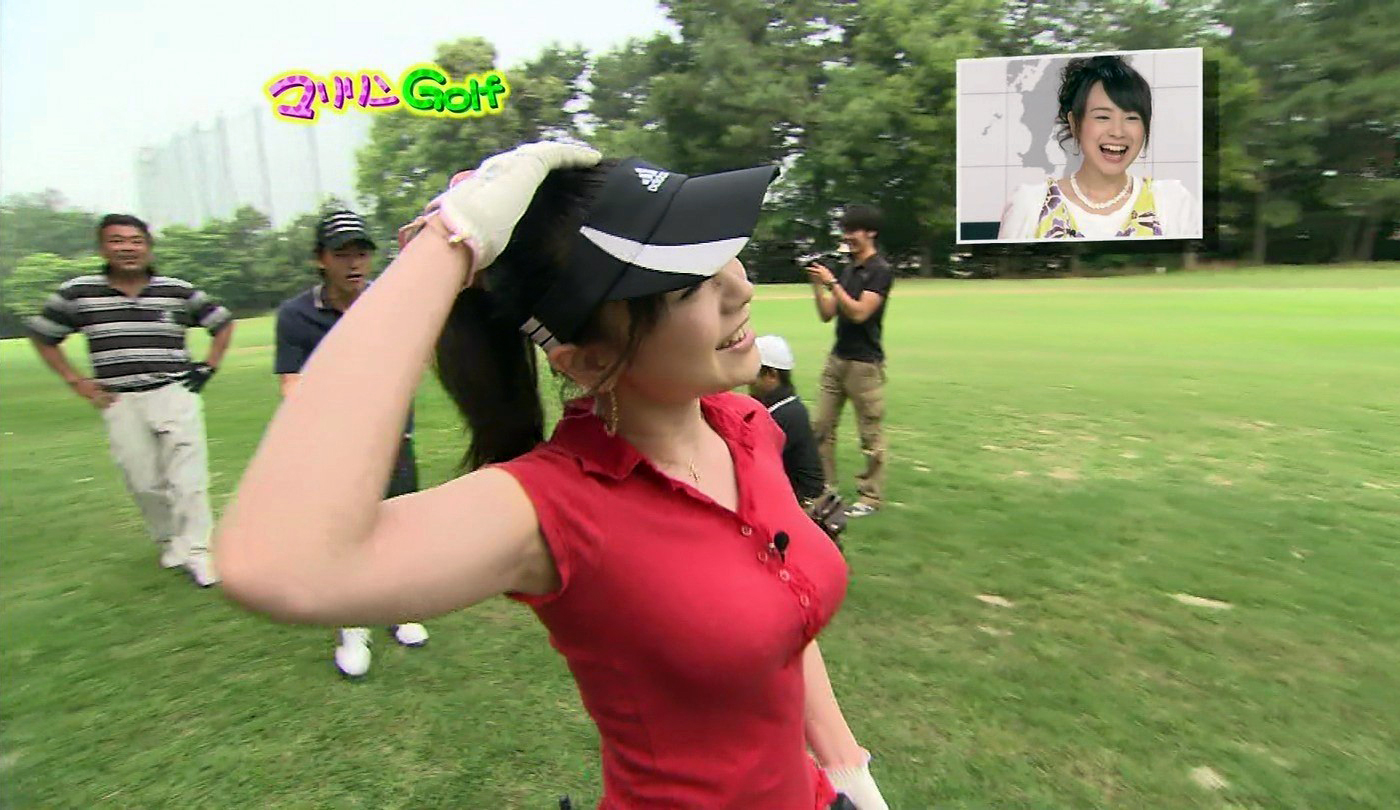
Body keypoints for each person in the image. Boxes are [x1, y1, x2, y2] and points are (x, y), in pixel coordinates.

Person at [215, 144, 889, 808]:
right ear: (586, 361)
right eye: (687, 284)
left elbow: (779, 625)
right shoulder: (554, 507)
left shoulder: (745, 426)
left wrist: (848, 773)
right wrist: (449, 241)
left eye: (718, 252)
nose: (740, 288)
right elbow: (281, 563)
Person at [26, 213, 234, 587]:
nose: (127, 248)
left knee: (188, 479)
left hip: (174, 392)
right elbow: (43, 335)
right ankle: (170, 540)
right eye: (117, 241)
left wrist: (209, 366)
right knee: (143, 482)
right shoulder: (79, 293)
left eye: (136, 241)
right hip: (119, 399)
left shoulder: (176, 290)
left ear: (148, 247)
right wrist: (76, 381)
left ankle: (199, 551)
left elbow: (221, 322)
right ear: (102, 248)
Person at [272, 209, 430, 678]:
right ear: (320, 259)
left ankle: (398, 607)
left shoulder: (391, 301)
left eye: (361, 252)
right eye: (342, 253)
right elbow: (291, 383)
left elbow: (413, 362)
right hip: (335, 442)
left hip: (392, 434)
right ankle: (353, 624)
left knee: (396, 522)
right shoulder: (296, 315)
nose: (355, 262)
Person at [997, 54, 1201, 240]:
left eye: (1131, 118)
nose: (1118, 132)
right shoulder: (1031, 204)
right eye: (1102, 117)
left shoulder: (1172, 202)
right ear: (1075, 123)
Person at [805, 205, 893, 518]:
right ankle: (826, 490)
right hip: (837, 359)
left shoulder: (880, 270)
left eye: (853, 230)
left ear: (871, 232)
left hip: (864, 364)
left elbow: (859, 312)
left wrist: (832, 283)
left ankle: (870, 496)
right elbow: (827, 314)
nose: (847, 237)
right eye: (845, 231)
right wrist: (818, 285)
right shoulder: (849, 269)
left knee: (870, 433)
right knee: (820, 427)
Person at [749, 334, 825, 504]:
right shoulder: (784, 405)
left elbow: (750, 462)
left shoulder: (785, 414)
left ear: (772, 375)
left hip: (802, 504)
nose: (748, 380)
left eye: (754, 372)